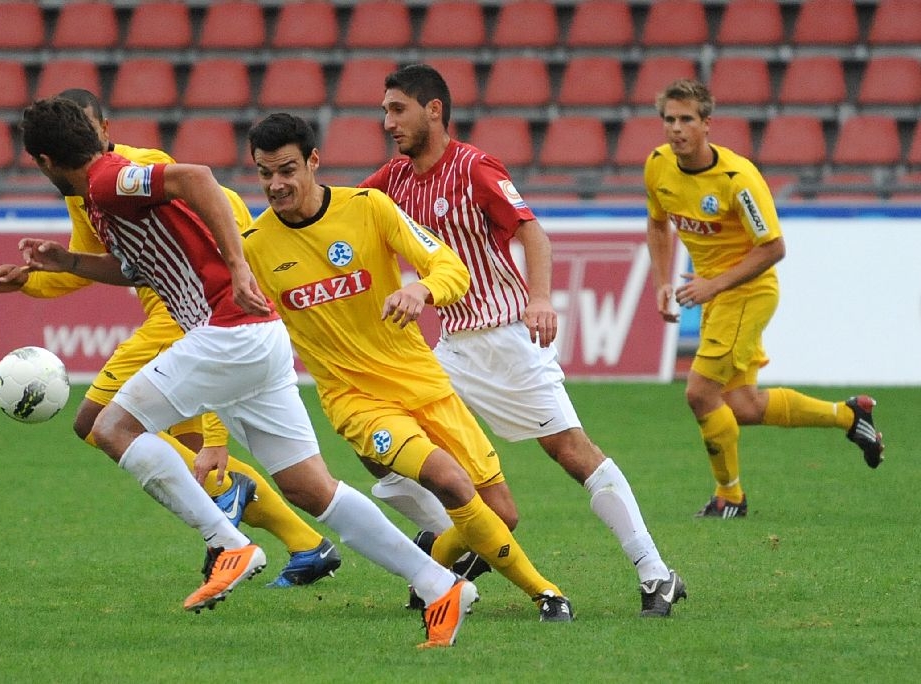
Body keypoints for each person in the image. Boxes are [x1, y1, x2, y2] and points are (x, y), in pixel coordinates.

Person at [14, 96, 476, 649]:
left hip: (226, 331)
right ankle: (439, 584)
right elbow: (142, 265)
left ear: (44, 160)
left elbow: (197, 178)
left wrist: (237, 265)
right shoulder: (102, 194)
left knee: (109, 427)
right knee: (311, 489)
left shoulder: (108, 180)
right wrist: (68, 262)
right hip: (255, 338)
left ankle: (225, 542)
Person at [0, 89, 341, 589]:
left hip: (198, 315)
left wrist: (217, 433)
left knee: (98, 423)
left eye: (87, 127)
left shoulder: (135, 169)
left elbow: (216, 211)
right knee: (180, 446)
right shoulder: (84, 189)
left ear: (103, 128)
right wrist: (31, 279)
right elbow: (95, 263)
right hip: (182, 314)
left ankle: (230, 510)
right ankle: (305, 544)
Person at [359, 64, 685, 617]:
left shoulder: (475, 167)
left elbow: (532, 231)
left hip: (508, 340)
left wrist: (540, 298)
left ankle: (654, 571)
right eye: (385, 110)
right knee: (379, 440)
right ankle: (457, 540)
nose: (387, 122)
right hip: (451, 349)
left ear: (433, 110)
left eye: (397, 109)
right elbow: (340, 212)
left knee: (572, 453)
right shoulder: (393, 180)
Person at [240, 112, 573, 623]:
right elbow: (228, 330)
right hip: (357, 402)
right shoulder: (254, 247)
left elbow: (451, 267)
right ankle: (546, 593)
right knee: (449, 480)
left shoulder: (368, 208)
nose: (276, 185)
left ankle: (431, 567)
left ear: (313, 161)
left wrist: (422, 289)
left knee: (502, 514)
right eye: (265, 174)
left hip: (422, 382)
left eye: (287, 170)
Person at [642, 78, 885, 517]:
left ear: (707, 124)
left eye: (686, 119)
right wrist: (662, 281)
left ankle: (730, 497)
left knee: (700, 393)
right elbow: (658, 224)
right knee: (743, 405)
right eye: (669, 119)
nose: (676, 129)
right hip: (717, 294)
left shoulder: (738, 179)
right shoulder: (658, 165)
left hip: (748, 291)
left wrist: (713, 284)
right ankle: (850, 416)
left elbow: (773, 248)